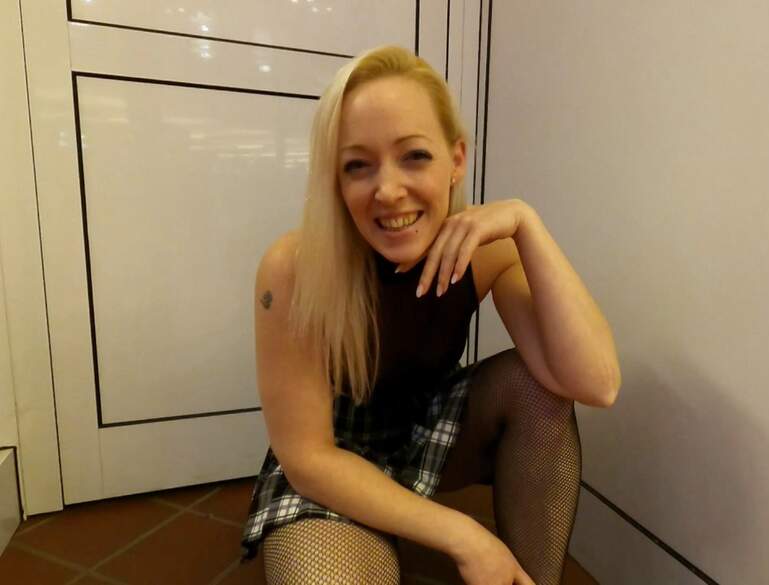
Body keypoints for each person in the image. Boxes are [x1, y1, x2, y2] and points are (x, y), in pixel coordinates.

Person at [240, 44, 621, 585]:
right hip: (333, 454)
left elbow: (596, 382)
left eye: (414, 156)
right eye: (357, 165)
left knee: (538, 384)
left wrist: (526, 225)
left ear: (456, 160)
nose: (388, 191)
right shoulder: (293, 268)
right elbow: (307, 457)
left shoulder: (484, 252)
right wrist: (464, 535)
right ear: (335, 180)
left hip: (431, 429)